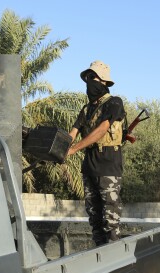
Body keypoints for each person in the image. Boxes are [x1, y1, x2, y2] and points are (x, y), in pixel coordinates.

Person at [67, 60, 125, 246]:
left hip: (108, 165)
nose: (90, 81)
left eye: (94, 78)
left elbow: (102, 129)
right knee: (94, 217)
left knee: (111, 218)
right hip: (89, 167)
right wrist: (60, 149)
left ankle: (115, 259)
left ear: (104, 82)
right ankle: (99, 254)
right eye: (88, 78)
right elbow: (73, 133)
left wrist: (75, 149)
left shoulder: (114, 102)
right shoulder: (86, 109)